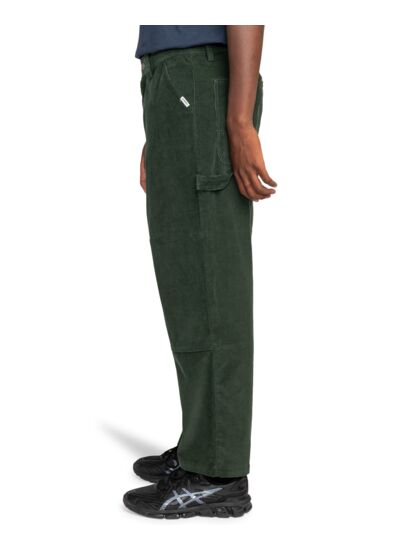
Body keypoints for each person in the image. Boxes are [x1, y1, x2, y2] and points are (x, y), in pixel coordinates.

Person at [123, 24, 277, 519]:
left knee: (213, 277)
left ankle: (217, 474)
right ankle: (202, 446)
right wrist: (161, 125)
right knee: (188, 277)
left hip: (199, 77)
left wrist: (238, 120)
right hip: (176, 82)